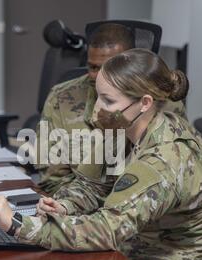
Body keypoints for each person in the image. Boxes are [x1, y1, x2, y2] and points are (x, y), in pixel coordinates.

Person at [0, 49, 202, 260]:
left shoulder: (165, 159)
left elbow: (108, 229)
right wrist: (63, 206)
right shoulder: (123, 126)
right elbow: (90, 186)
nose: (96, 111)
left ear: (144, 103)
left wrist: (18, 225)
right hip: (136, 246)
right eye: (98, 97)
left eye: (108, 101)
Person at [36, 23, 186, 196]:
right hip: (82, 202)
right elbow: (52, 177)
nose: (99, 75)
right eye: (93, 67)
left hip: (141, 203)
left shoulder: (163, 102)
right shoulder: (61, 97)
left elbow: (173, 174)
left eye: (108, 67)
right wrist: (72, 204)